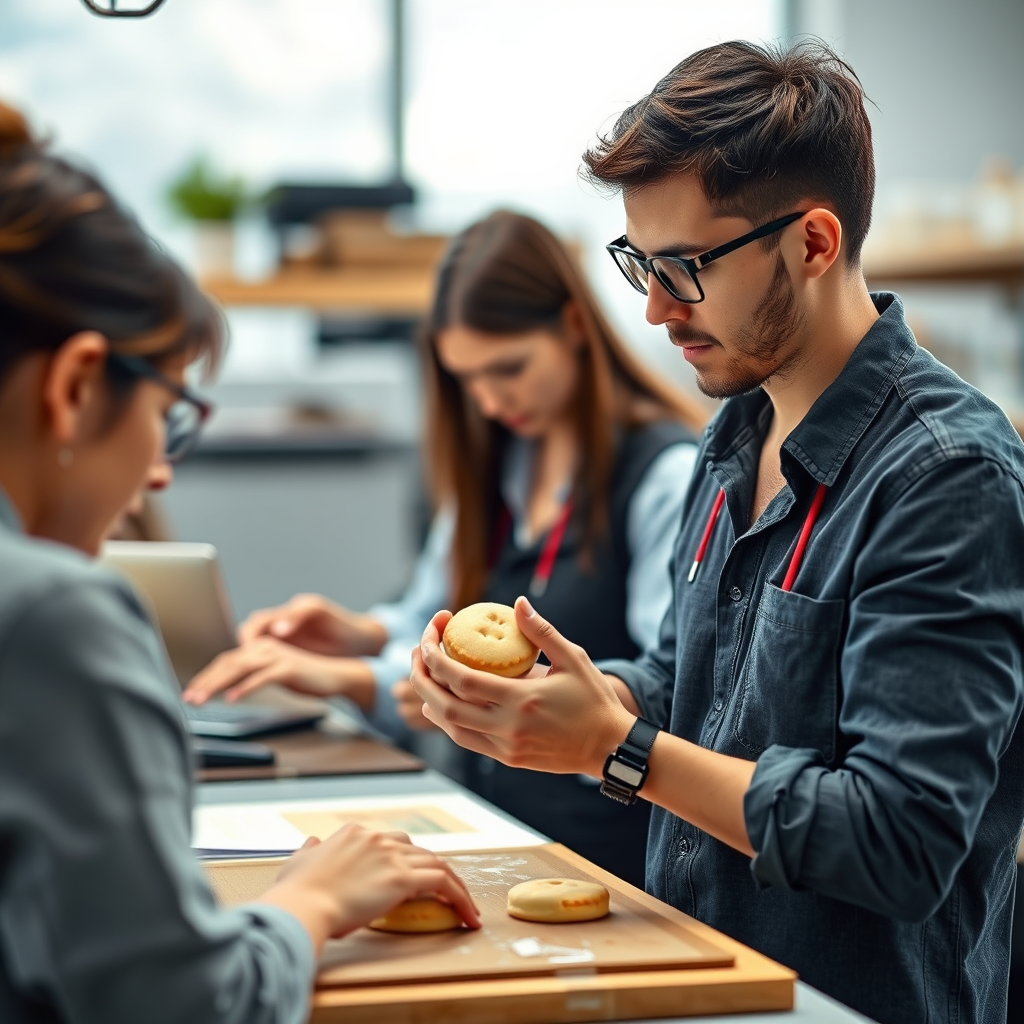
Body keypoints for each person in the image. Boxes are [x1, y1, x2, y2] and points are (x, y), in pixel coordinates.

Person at [407, 41, 1024, 1024]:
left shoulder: (946, 475)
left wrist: (620, 746)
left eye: (685, 268)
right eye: (640, 263)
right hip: (700, 979)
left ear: (813, 244)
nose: (652, 309)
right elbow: (691, 680)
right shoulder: (734, 433)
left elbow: (900, 841)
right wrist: (585, 699)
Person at [0, 102, 479, 1024]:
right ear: (74, 386)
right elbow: (183, 1005)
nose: (156, 468)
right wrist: (313, 900)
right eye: (167, 415)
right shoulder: (55, 617)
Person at [185, 210, 706, 886]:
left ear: (575, 326)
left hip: (611, 858)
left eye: (508, 368)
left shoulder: (664, 476)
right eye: (469, 379)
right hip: (500, 837)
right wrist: (362, 634)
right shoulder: (497, 468)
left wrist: (354, 679)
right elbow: (434, 620)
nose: (490, 401)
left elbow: (666, 690)